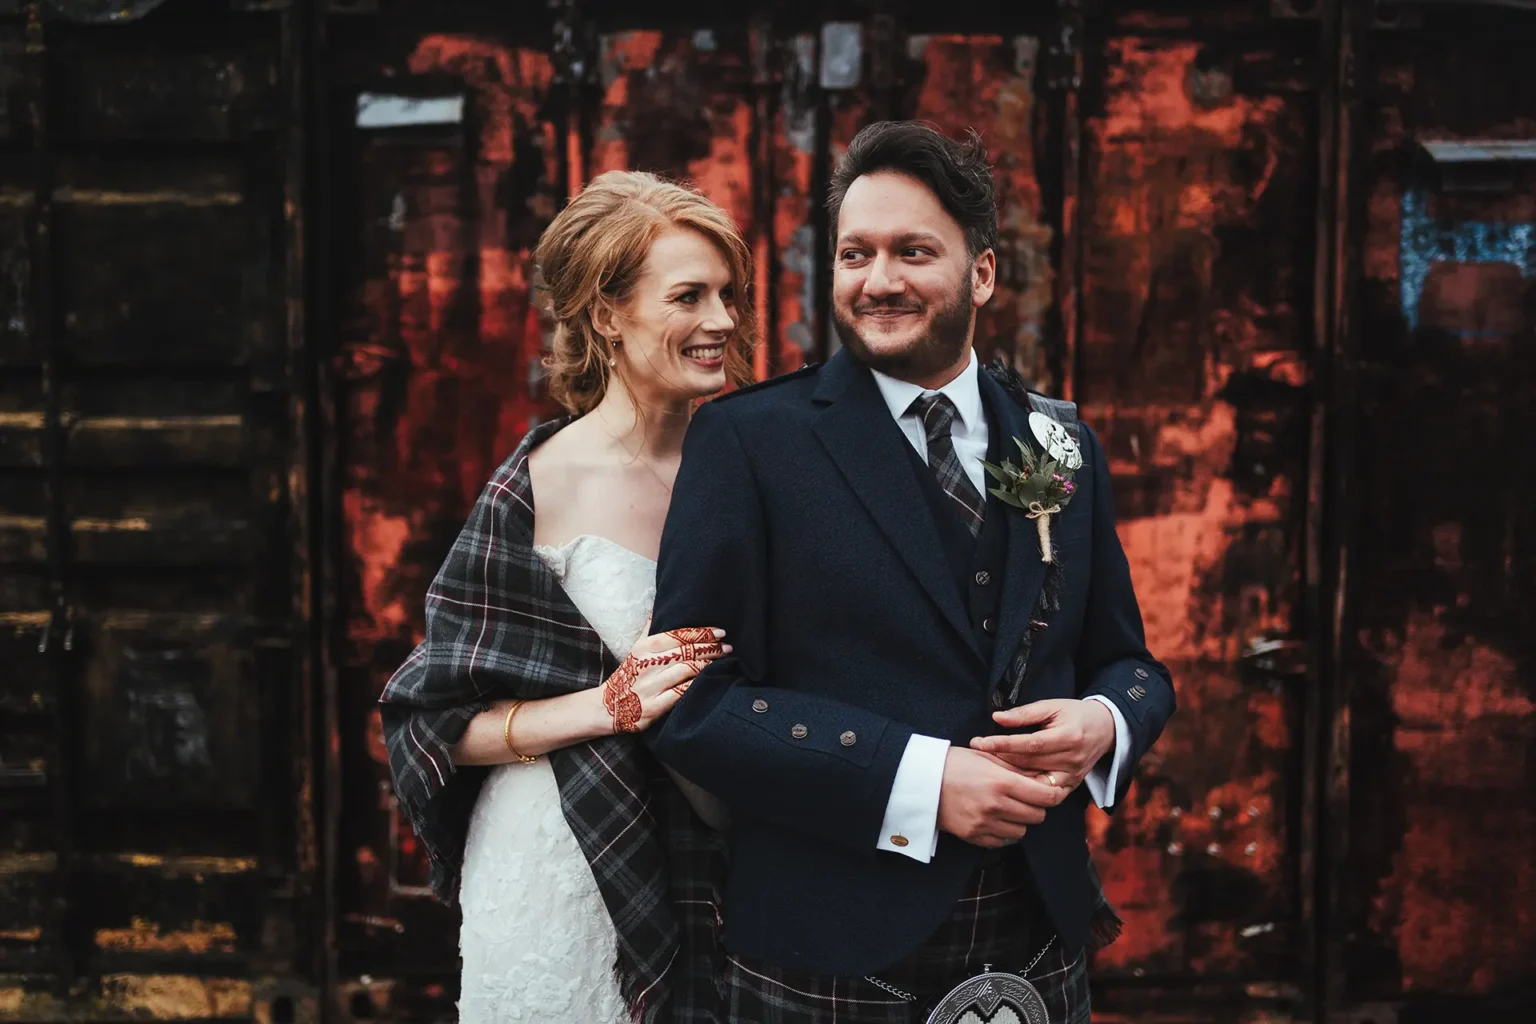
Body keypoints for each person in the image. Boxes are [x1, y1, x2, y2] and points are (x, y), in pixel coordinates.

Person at [648, 121, 1175, 1023]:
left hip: (1037, 934)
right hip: (829, 952)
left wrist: (1103, 722)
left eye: (913, 252)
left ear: (982, 273)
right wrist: (919, 782)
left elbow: (1130, 665)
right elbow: (690, 703)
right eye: (856, 253)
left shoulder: (1058, 439)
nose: (878, 280)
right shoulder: (749, 441)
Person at [378, 170, 757, 1024]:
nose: (723, 321)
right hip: (561, 859)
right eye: (689, 296)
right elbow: (431, 724)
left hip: (725, 858)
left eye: (728, 294)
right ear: (607, 313)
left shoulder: (749, 466)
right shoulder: (538, 486)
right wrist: (609, 705)